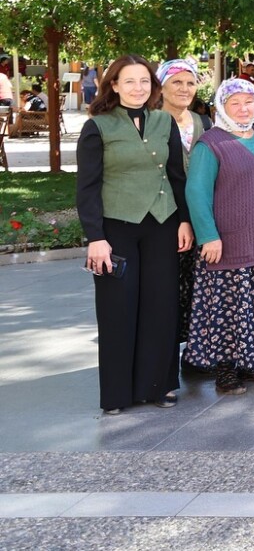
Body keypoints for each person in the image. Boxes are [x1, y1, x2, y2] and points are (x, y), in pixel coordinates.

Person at [76, 55, 193, 413]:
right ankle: (117, 394)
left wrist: (185, 221)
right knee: (117, 308)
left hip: (162, 224)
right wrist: (95, 237)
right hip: (116, 229)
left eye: (144, 81)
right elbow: (87, 187)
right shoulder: (98, 127)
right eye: (129, 81)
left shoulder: (163, 121)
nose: (138, 88)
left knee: (161, 307)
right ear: (113, 85)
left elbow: (177, 176)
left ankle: (158, 386)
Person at [185, 79, 254, 396]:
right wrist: (208, 236)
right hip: (229, 239)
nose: (244, 108)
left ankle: (252, 363)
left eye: (249, 101)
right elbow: (196, 192)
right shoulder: (211, 143)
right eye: (236, 103)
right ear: (222, 107)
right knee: (229, 306)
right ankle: (226, 372)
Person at [154, 58, 210, 369]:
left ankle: (195, 353)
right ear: (161, 86)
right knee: (166, 286)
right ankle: (164, 355)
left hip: (199, 214)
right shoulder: (150, 122)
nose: (184, 89)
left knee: (196, 286)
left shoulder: (203, 123)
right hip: (165, 214)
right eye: (177, 82)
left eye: (190, 83)